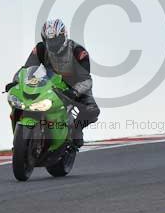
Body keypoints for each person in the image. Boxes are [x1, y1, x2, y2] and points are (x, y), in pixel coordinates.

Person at [6, 18, 100, 148]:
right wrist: (16, 81)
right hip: (49, 83)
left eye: (56, 40)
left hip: (75, 86)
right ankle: (22, 140)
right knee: (21, 102)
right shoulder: (40, 49)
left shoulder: (78, 51)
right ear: (45, 40)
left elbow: (86, 79)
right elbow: (26, 69)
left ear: (64, 36)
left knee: (92, 110)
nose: (54, 44)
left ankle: (76, 130)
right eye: (50, 41)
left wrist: (74, 91)